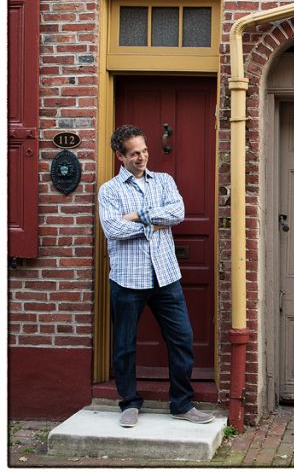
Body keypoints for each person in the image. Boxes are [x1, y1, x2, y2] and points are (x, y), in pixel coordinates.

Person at [98, 124, 214, 428]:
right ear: (120, 156)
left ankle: (182, 403)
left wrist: (138, 216)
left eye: (144, 151)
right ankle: (129, 403)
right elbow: (112, 229)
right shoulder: (109, 191)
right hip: (126, 279)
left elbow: (177, 213)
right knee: (124, 345)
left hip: (165, 276)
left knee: (182, 339)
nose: (142, 157)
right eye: (134, 153)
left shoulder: (164, 181)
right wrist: (153, 224)